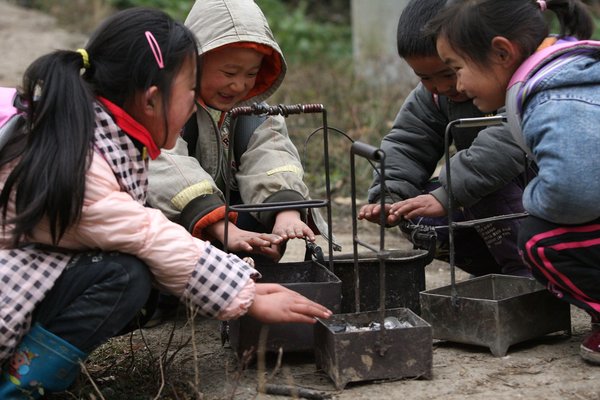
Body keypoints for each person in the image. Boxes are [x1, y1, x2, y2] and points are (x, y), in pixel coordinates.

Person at [0, 7, 332, 398]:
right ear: (153, 100)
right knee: (125, 276)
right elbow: (148, 233)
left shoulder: (94, 130)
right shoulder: (80, 164)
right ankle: (19, 387)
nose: (194, 106)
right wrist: (246, 293)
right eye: (189, 94)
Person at [429, 0, 600, 364]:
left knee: (539, 240)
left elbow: (574, 193)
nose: (457, 83)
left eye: (457, 68)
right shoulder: (562, 76)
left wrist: (532, 200)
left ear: (502, 53)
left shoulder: (553, 99)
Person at [147, 0, 331, 265]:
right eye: (229, 72)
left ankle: (249, 265)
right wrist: (224, 229)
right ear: (193, 64)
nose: (239, 84)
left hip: (232, 222)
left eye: (251, 73)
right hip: (186, 220)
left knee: (264, 220)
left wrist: (285, 212)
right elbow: (167, 166)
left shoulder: (254, 114)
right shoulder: (170, 108)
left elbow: (272, 156)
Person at [358, 0, 532, 278]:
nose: (442, 87)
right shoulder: (435, 97)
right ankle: (495, 275)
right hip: (486, 197)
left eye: (450, 72)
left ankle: (529, 277)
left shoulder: (524, 84)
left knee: (482, 189)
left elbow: (506, 140)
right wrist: (390, 195)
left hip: (542, 200)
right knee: (418, 216)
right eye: (425, 77)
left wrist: (449, 193)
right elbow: (408, 143)